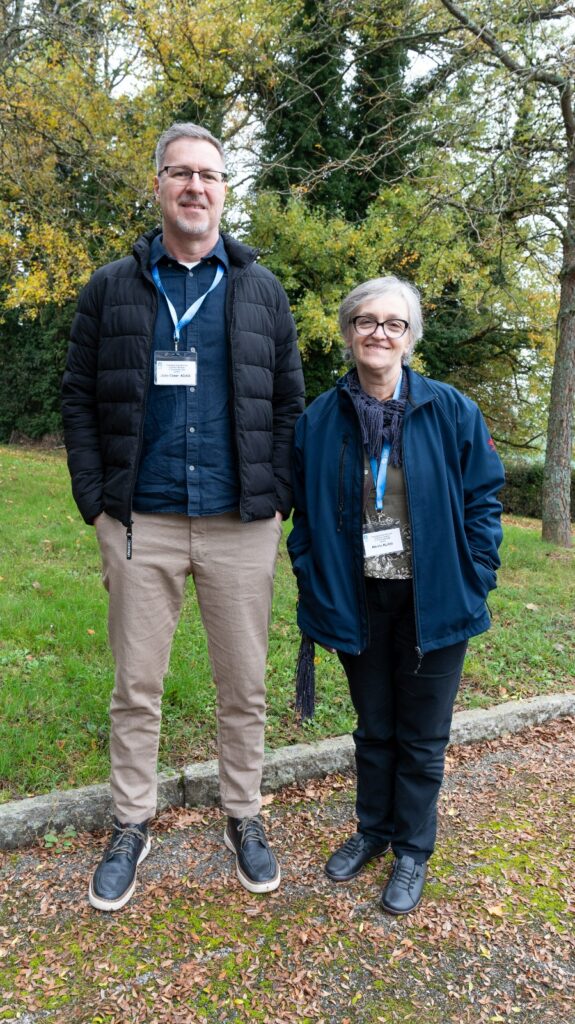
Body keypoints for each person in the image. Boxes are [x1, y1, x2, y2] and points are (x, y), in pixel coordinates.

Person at [61, 122, 305, 911]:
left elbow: (289, 404)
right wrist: (97, 501)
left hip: (241, 521)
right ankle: (132, 822)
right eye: (179, 173)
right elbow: (77, 398)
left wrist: (278, 502)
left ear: (225, 188)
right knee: (136, 686)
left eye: (209, 174)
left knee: (245, 685)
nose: (194, 187)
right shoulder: (113, 286)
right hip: (143, 521)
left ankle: (244, 813)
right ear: (158, 185)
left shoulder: (260, 289)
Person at [288, 276, 504, 915]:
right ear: (348, 331)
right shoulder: (320, 420)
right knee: (374, 728)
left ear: (409, 339)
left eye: (393, 324)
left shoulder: (451, 410)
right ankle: (373, 831)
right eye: (366, 321)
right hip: (359, 600)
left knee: (422, 736)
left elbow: (483, 499)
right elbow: (303, 512)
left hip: (434, 600)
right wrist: (311, 574)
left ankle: (412, 849)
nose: (379, 333)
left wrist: (477, 573)